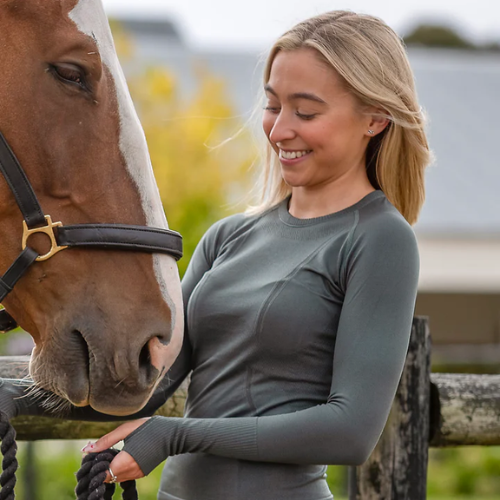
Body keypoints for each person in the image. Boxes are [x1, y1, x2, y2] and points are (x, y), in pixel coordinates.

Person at [0, 10, 429, 500]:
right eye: (273, 105)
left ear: (376, 118)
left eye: (305, 112)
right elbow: (146, 380)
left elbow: (350, 431)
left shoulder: (380, 240)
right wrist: (15, 399)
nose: (279, 130)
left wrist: (178, 434)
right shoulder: (229, 237)